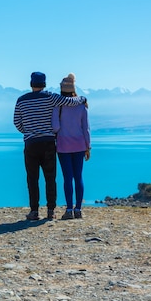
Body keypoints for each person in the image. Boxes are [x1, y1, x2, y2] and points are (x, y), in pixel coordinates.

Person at [14, 72, 87, 221]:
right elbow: (70, 102)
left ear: (31, 84)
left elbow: (17, 122)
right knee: (50, 177)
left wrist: (29, 131)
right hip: (48, 143)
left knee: (32, 178)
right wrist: (83, 98)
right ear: (44, 84)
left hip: (31, 143)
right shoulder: (51, 97)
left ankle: (34, 211)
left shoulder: (21, 100)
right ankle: (51, 211)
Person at [52, 73, 91, 220]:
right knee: (78, 176)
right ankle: (79, 209)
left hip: (63, 146)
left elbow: (55, 127)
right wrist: (88, 147)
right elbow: (86, 128)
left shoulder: (58, 105)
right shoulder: (82, 105)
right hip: (80, 145)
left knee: (67, 177)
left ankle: (69, 209)